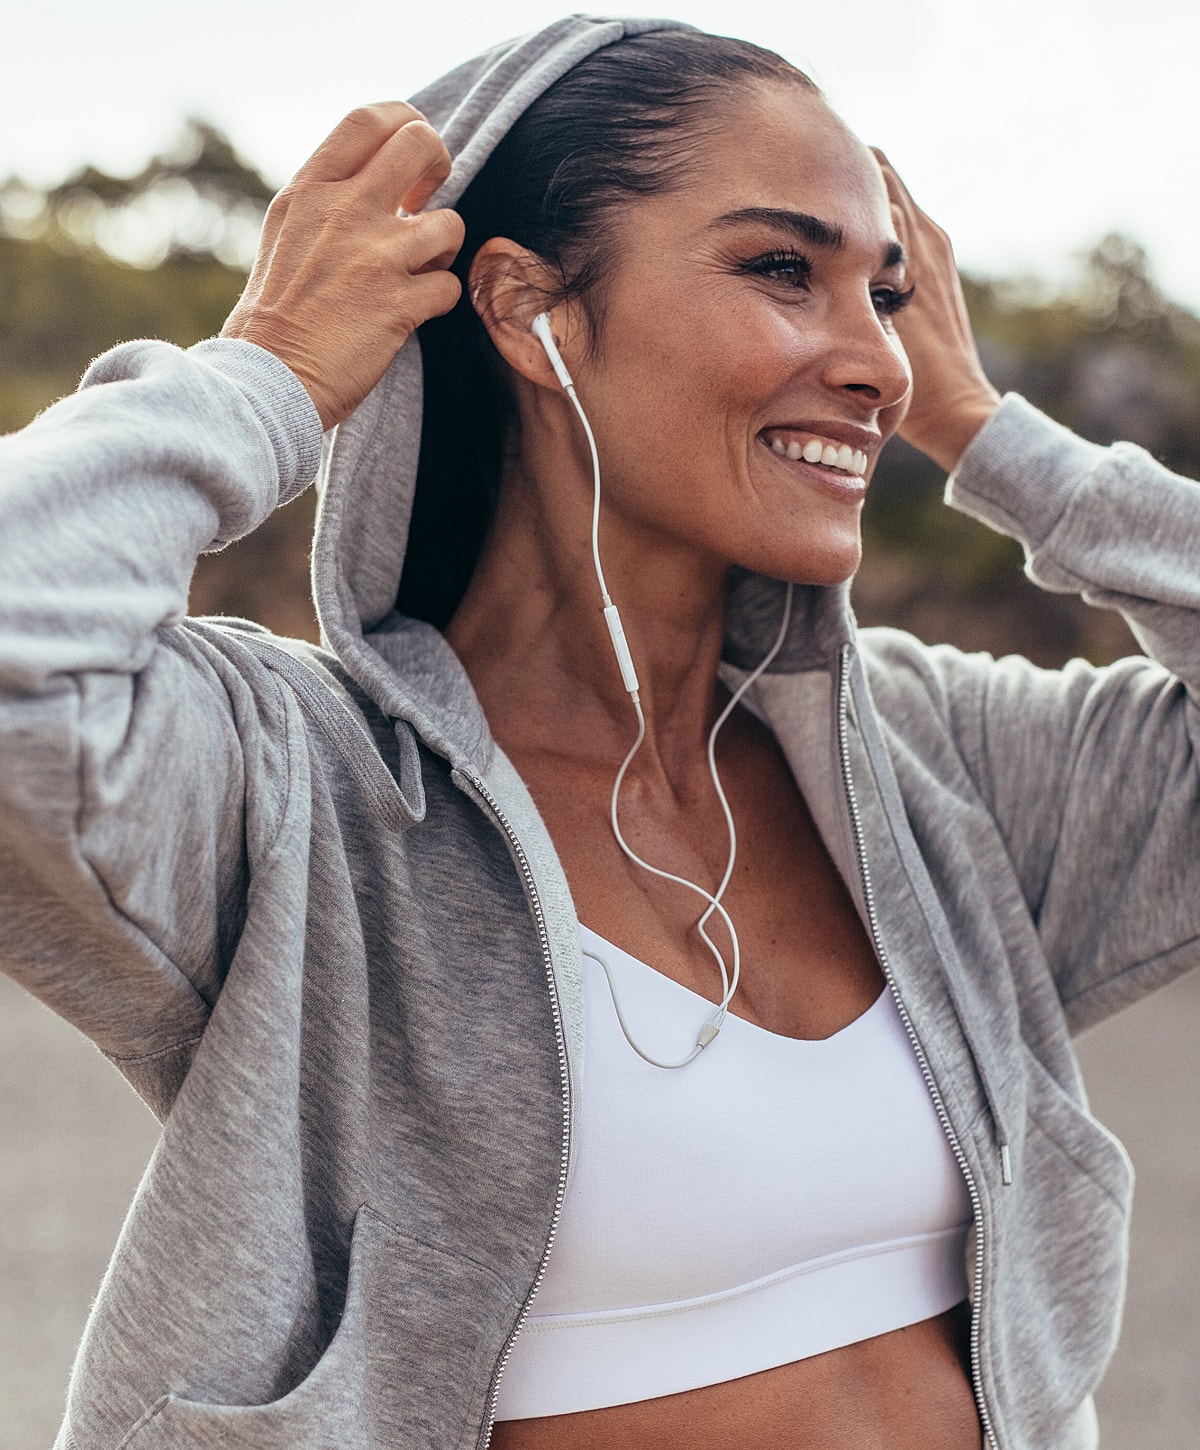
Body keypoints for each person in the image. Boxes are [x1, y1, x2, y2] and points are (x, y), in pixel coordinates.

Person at [1, 14, 1197, 1450]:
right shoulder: (304, 796)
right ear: (528, 309)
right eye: (781, 270)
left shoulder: (937, 767)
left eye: (881, 296)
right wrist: (266, 375)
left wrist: (998, 439)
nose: (877, 361)